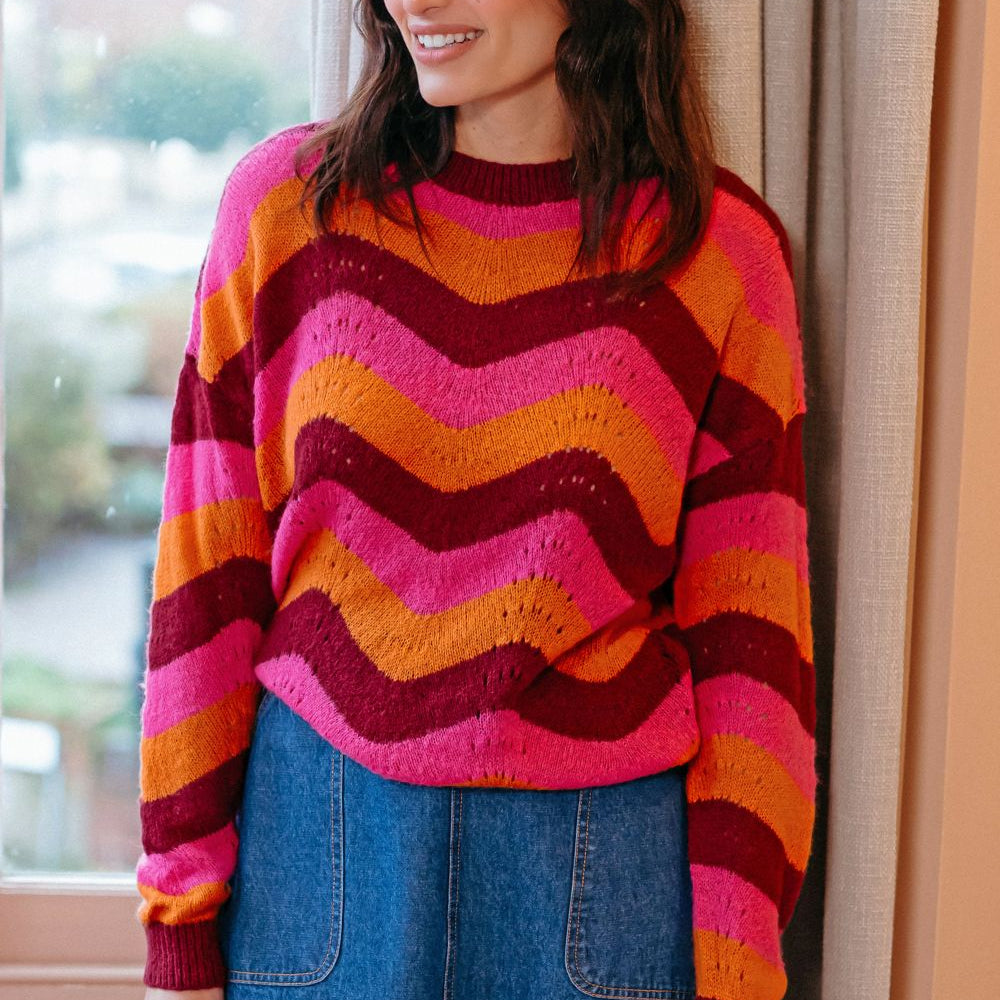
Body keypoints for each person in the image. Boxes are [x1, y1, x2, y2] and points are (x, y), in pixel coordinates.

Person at [136, 0, 817, 998]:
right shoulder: (285, 211)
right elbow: (205, 577)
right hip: (316, 854)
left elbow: (752, 645)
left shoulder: (716, 255)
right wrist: (181, 922)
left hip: (598, 879)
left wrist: (740, 967)